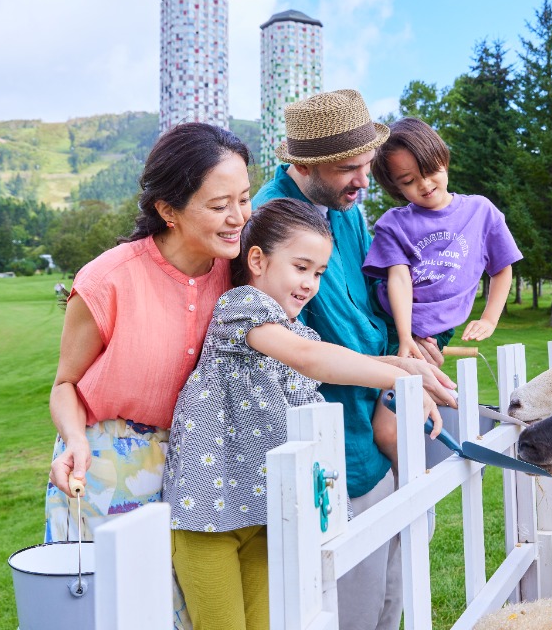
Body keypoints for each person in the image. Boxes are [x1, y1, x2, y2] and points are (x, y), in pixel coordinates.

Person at [164, 198, 443, 630]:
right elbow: (311, 359)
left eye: (318, 273)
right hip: (208, 517)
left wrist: (404, 367)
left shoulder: (293, 331)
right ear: (257, 259)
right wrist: (394, 379)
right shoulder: (241, 308)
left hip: (264, 514)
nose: (310, 283)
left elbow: (328, 355)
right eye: (301, 267)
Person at [252, 88, 457, 630]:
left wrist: (407, 344)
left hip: (381, 415)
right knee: (353, 605)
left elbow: (371, 303)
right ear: (303, 163)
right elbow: (301, 344)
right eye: (350, 168)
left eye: (367, 165)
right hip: (332, 441)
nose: (364, 181)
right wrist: (396, 372)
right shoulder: (268, 223)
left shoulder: (346, 212)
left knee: (397, 585)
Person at [42, 122, 252, 630]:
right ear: (168, 210)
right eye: (219, 204)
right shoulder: (106, 280)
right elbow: (65, 385)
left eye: (244, 199)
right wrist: (73, 439)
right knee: (111, 615)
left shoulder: (244, 273)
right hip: (104, 469)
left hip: (202, 467)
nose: (238, 218)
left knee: (191, 615)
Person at [364, 116, 522, 359]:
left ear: (443, 160)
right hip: (388, 317)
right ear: (396, 187)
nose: (425, 184)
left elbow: (502, 267)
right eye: (409, 181)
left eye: (430, 171)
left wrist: (489, 319)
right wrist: (405, 337)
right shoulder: (393, 224)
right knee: (388, 383)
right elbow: (399, 279)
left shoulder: (481, 211)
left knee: (417, 383)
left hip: (438, 326)